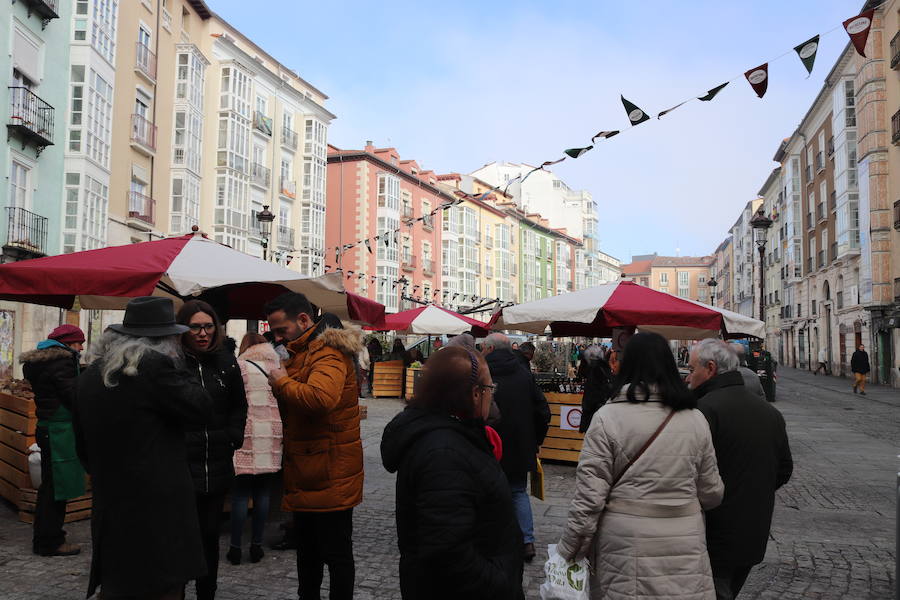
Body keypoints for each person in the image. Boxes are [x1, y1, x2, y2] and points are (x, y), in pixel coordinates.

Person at [557, 332, 724, 599]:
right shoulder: (695, 420)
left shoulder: (606, 418)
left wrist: (569, 548)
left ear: (627, 365)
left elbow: (589, 499)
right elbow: (712, 493)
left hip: (625, 543)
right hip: (683, 539)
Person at [74, 297, 213, 599]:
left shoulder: (90, 376)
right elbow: (201, 406)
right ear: (165, 340)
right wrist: (182, 362)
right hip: (156, 512)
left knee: (118, 584)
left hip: (111, 505)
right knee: (160, 586)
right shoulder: (154, 367)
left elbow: (82, 447)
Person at [380, 346, 525, 599]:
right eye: (490, 388)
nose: (492, 395)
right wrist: (499, 582)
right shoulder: (443, 453)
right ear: (474, 394)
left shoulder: (453, 435)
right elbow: (447, 552)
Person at [264, 294, 364, 600]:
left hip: (328, 472)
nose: (278, 337)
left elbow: (320, 399)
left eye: (282, 330)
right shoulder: (305, 351)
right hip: (313, 469)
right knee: (308, 554)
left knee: (333, 555)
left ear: (304, 320)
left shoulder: (327, 352)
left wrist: (281, 381)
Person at [686, 338, 793, 600]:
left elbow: (688, 472)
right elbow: (784, 470)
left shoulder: (703, 410)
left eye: (691, 370)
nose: (688, 378)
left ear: (710, 368)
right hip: (752, 533)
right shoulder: (770, 413)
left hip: (712, 534)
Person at [176, 300, 248, 600]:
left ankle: (207, 591)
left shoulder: (226, 362)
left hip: (217, 463)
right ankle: (175, 590)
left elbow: (238, 405)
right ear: (183, 329)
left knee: (209, 535)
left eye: (208, 326)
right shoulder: (173, 363)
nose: (203, 333)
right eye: (195, 327)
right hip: (181, 465)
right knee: (179, 537)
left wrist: (232, 436)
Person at [481, 333, 550, 562]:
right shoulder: (523, 373)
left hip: (487, 443)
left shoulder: (482, 373)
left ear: (489, 349)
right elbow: (543, 411)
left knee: (485, 492)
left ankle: (490, 540)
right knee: (518, 492)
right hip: (520, 444)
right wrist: (536, 440)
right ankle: (526, 542)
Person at [20, 324, 87, 557]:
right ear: (67, 343)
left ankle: (48, 533)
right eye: (79, 343)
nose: (81, 348)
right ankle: (49, 542)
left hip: (47, 427)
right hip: (58, 430)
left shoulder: (41, 361)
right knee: (56, 488)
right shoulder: (62, 361)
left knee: (50, 486)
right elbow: (72, 395)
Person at [228, 333, 283, 566]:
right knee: (263, 494)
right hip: (271, 433)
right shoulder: (277, 366)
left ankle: (235, 548)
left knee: (240, 494)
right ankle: (257, 546)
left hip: (246, 432)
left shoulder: (238, 366)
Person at [578, 345, 614, 434]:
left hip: (594, 412)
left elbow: (591, 394)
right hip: (604, 411)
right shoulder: (605, 368)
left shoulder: (594, 369)